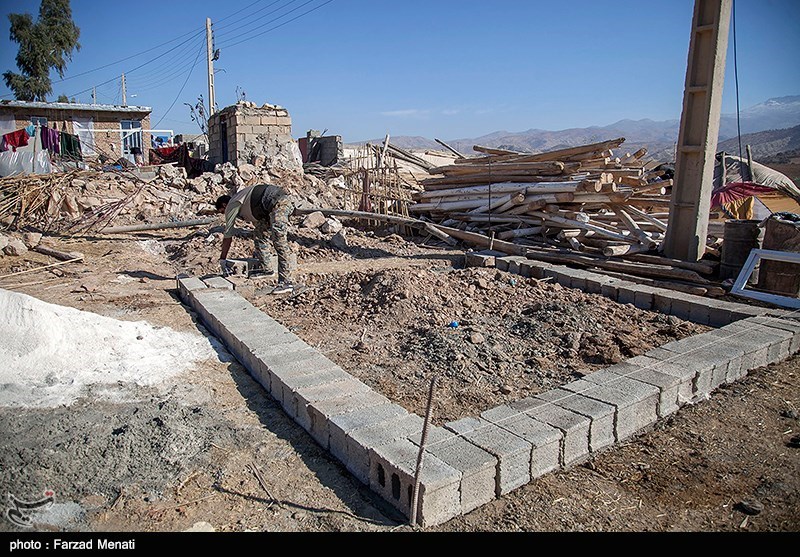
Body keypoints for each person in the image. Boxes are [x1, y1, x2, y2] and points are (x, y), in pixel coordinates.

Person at [215, 184, 298, 295]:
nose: (223, 215)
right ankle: (267, 269)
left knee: (279, 240)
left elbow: (228, 234)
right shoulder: (243, 201)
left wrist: (223, 259)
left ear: (224, 205)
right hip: (269, 208)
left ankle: (287, 282)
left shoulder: (232, 205)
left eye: (222, 211)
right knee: (260, 235)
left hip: (279, 203)